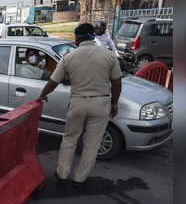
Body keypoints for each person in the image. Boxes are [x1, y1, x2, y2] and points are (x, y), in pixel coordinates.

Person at [37, 23, 122, 188]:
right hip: (101, 103)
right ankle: (79, 179)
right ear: (93, 36)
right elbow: (117, 82)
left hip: (77, 103)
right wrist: (115, 103)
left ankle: (62, 174)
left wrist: (42, 96)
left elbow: (53, 81)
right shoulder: (108, 55)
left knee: (69, 139)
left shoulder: (69, 57)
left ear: (77, 38)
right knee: (91, 144)